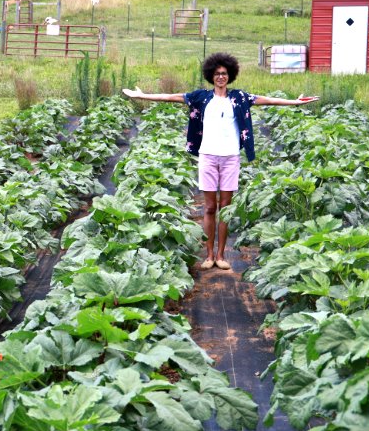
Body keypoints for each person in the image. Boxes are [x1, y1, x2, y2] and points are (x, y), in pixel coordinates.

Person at [121, 52, 317, 270]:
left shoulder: (239, 98)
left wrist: (295, 102)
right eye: (217, 74)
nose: (221, 77)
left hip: (230, 157)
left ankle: (222, 255)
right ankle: (209, 255)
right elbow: (172, 96)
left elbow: (267, 100)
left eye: (224, 73)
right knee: (210, 208)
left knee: (225, 207)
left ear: (230, 75)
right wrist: (143, 96)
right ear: (211, 76)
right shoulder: (201, 97)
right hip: (208, 156)